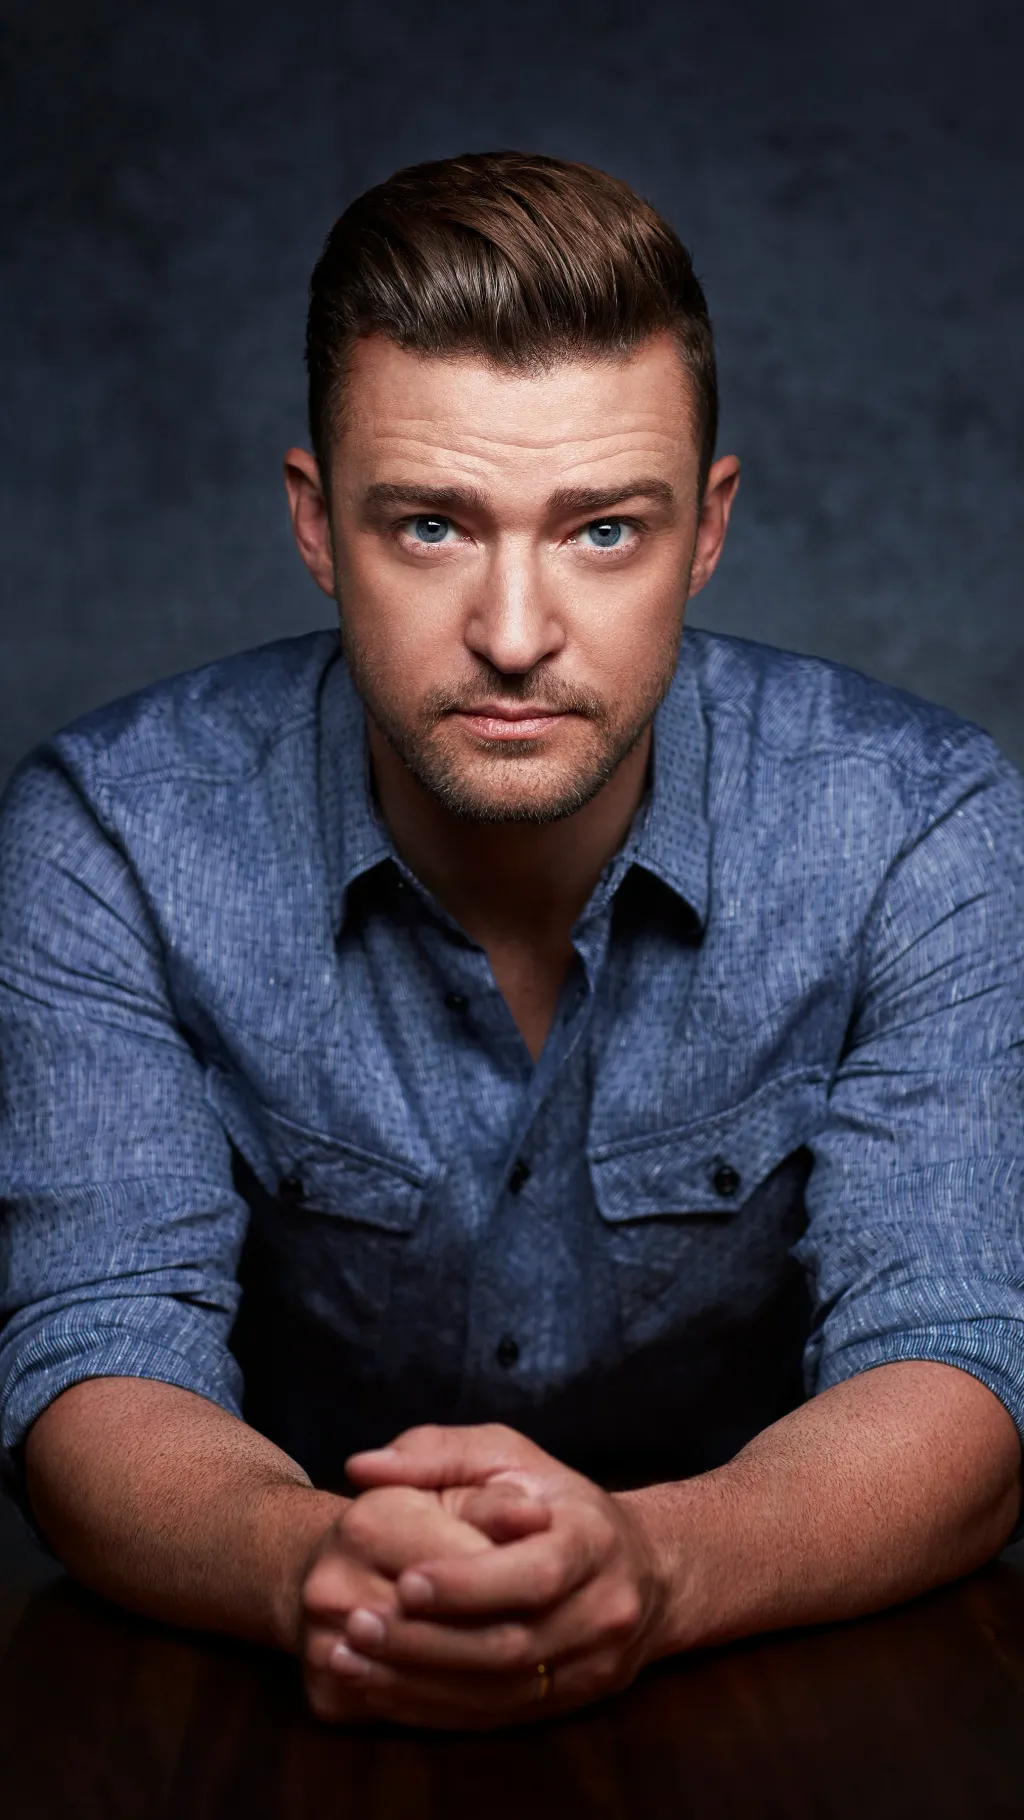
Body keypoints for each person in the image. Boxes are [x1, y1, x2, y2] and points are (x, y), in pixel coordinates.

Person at [0, 151, 1021, 1733]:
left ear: (707, 530)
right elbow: (92, 1349)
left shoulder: (921, 829)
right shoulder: (111, 838)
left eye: (603, 531)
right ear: (316, 524)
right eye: (431, 526)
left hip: (786, 1718)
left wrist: (657, 1565)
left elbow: (955, 1358)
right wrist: (314, 1563)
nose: (516, 633)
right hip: (268, 1724)